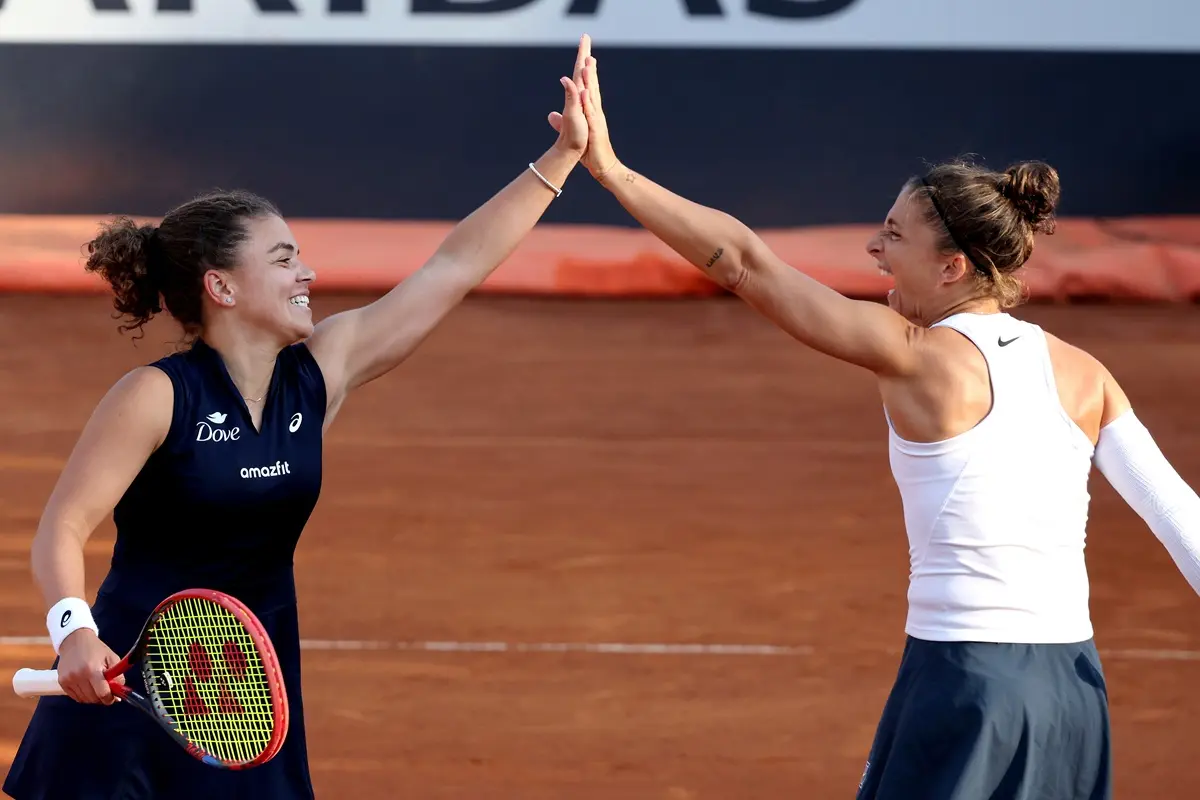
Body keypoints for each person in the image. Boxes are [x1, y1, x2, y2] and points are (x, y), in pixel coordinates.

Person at [555, 34, 1200, 800]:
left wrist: (610, 170)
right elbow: (1177, 514)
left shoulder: (916, 355)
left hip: (966, 684)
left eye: (893, 235)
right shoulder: (1087, 374)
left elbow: (744, 263)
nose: (873, 247)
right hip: (1074, 694)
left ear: (953, 266)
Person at [3, 40, 593, 800]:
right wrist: (73, 631)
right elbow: (63, 524)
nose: (307, 272)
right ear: (221, 287)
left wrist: (561, 160)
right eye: (283, 260)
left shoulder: (321, 373)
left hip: (246, 699)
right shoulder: (156, 396)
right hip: (127, 690)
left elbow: (452, 268)